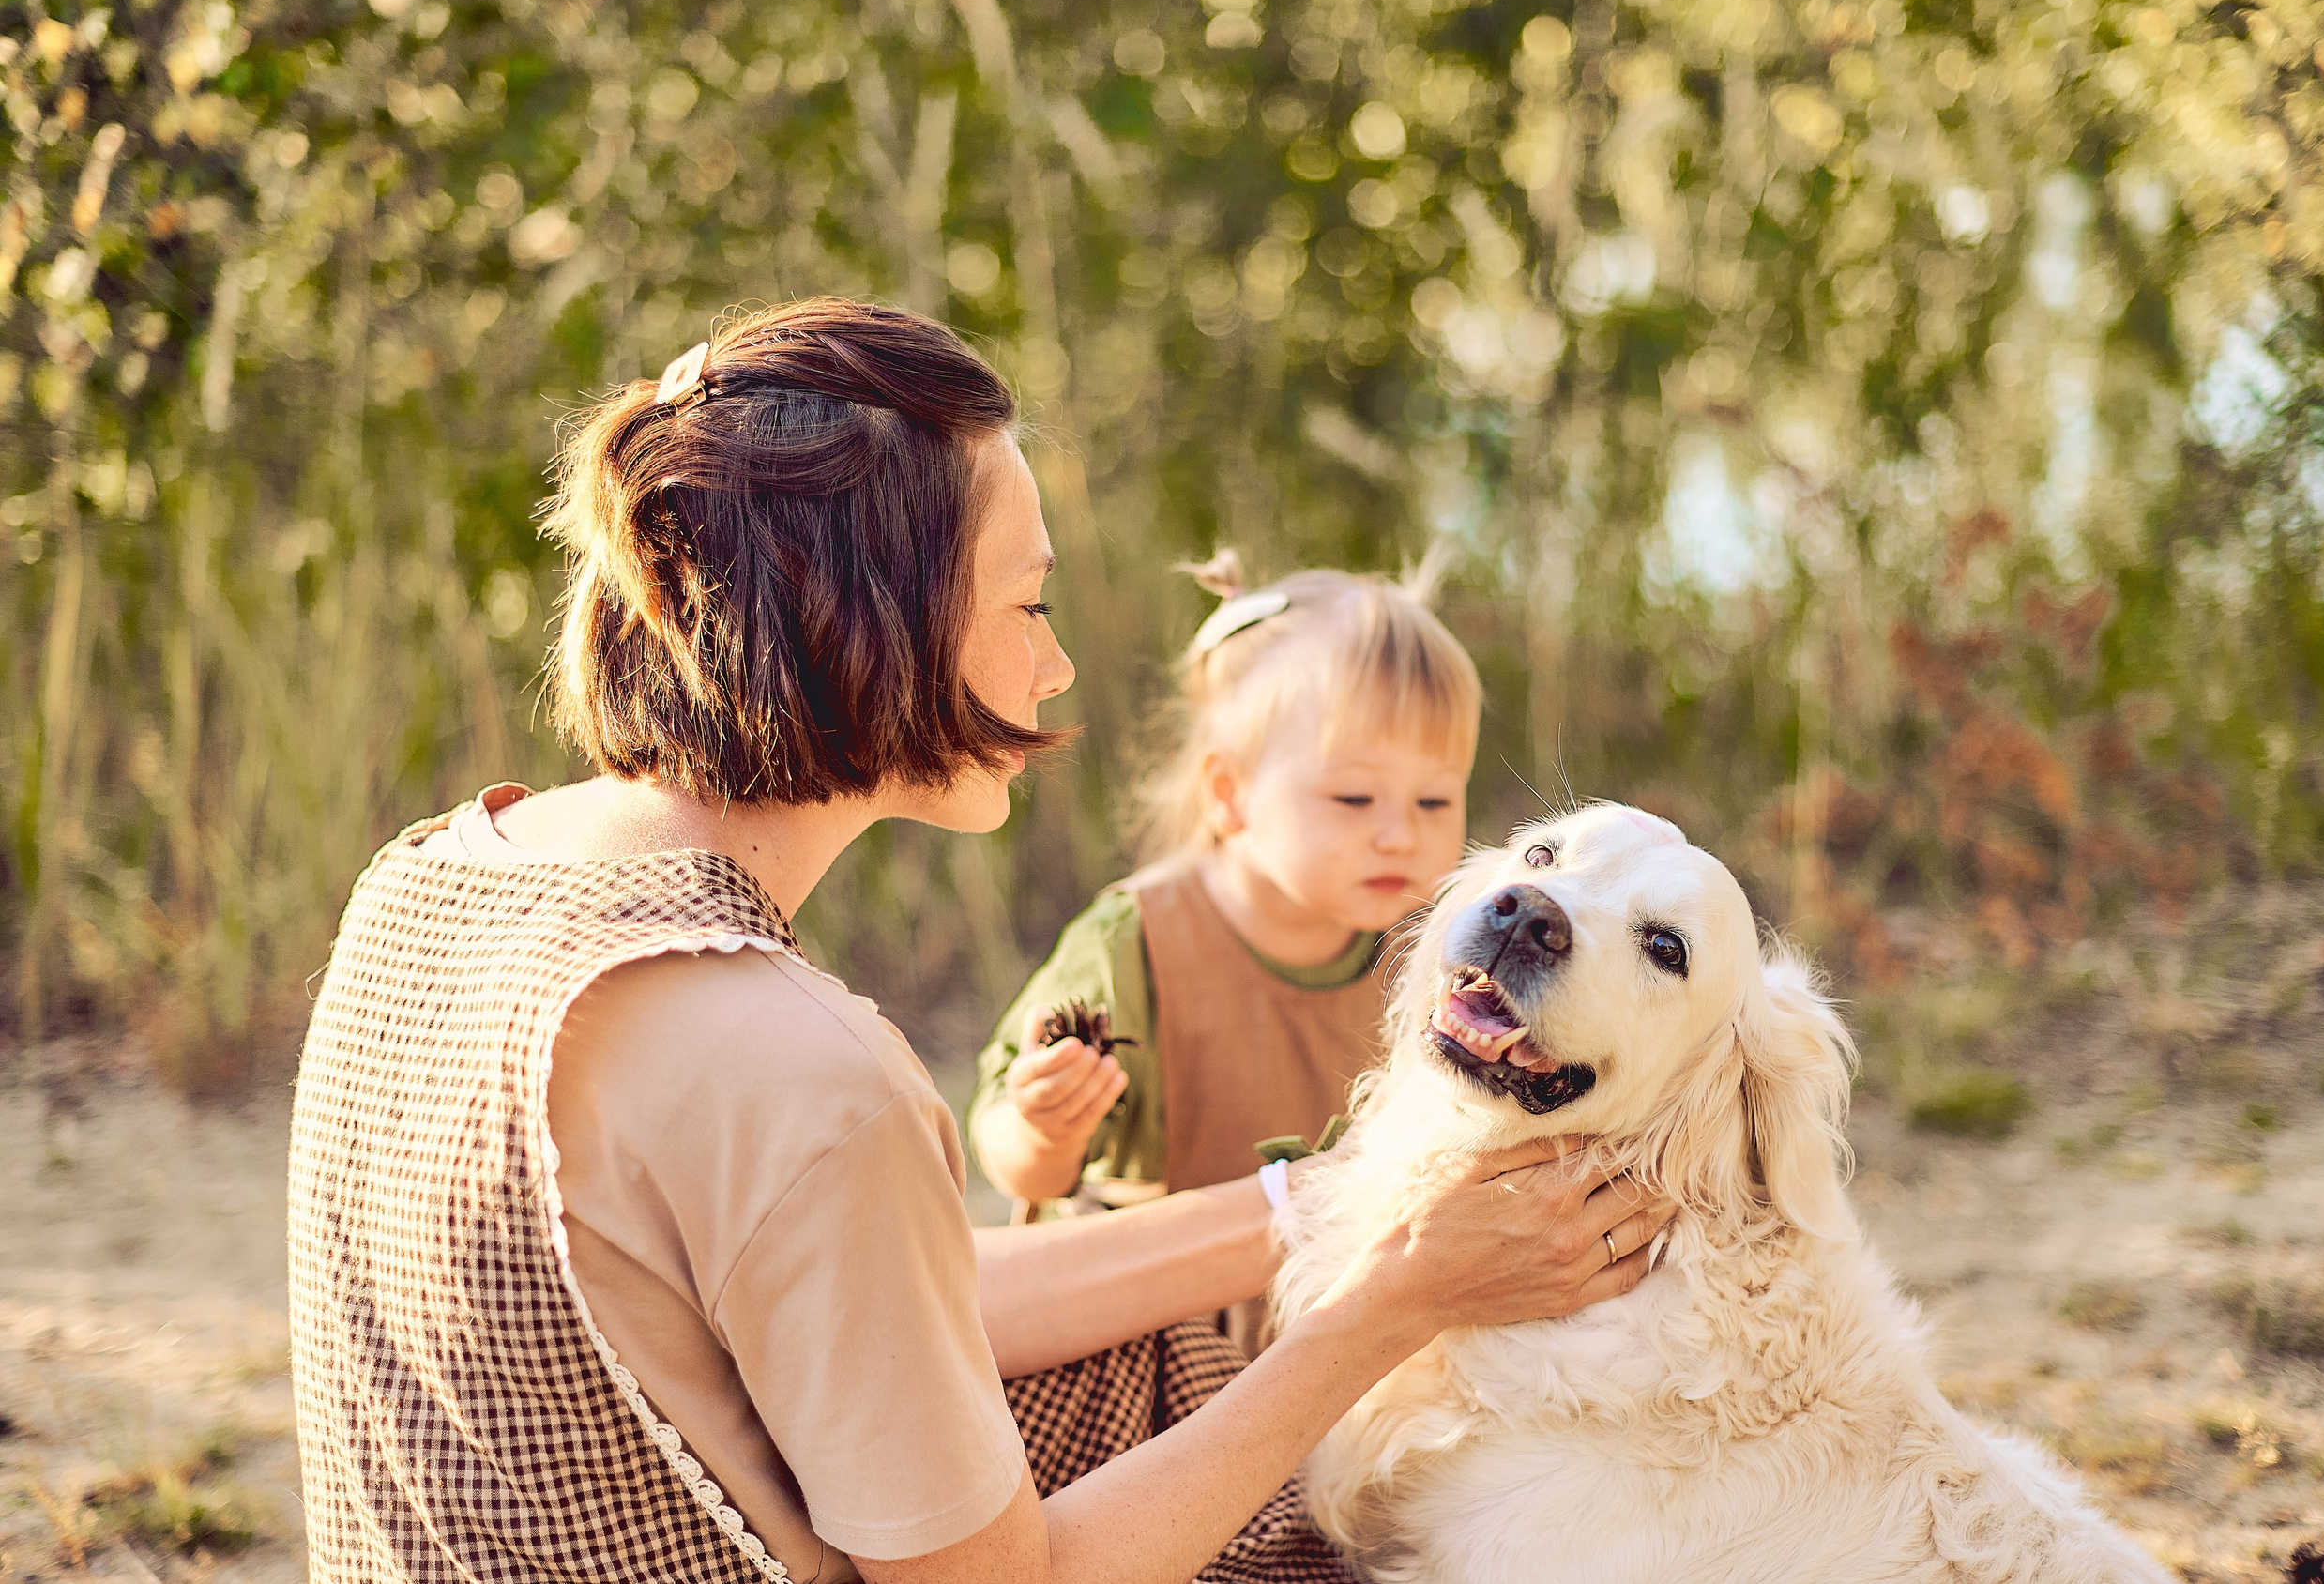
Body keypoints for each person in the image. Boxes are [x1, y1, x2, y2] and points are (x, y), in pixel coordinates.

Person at [287, 297, 1672, 1584]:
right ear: (875, 619)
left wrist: (1315, 1208)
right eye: (1029, 605)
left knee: (1165, 1355)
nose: (1056, 664)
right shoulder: (801, 1067)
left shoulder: (429, 877)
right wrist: (1384, 1307)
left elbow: (913, 1290)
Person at [970, 562, 1479, 1247]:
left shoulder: (1431, 952)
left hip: (1340, 1319)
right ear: (1230, 793)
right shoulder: (1138, 945)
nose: (1401, 834)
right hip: (1153, 1318)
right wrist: (1042, 1129)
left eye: (1435, 800)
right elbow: (1013, 1161)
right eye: (1354, 798)